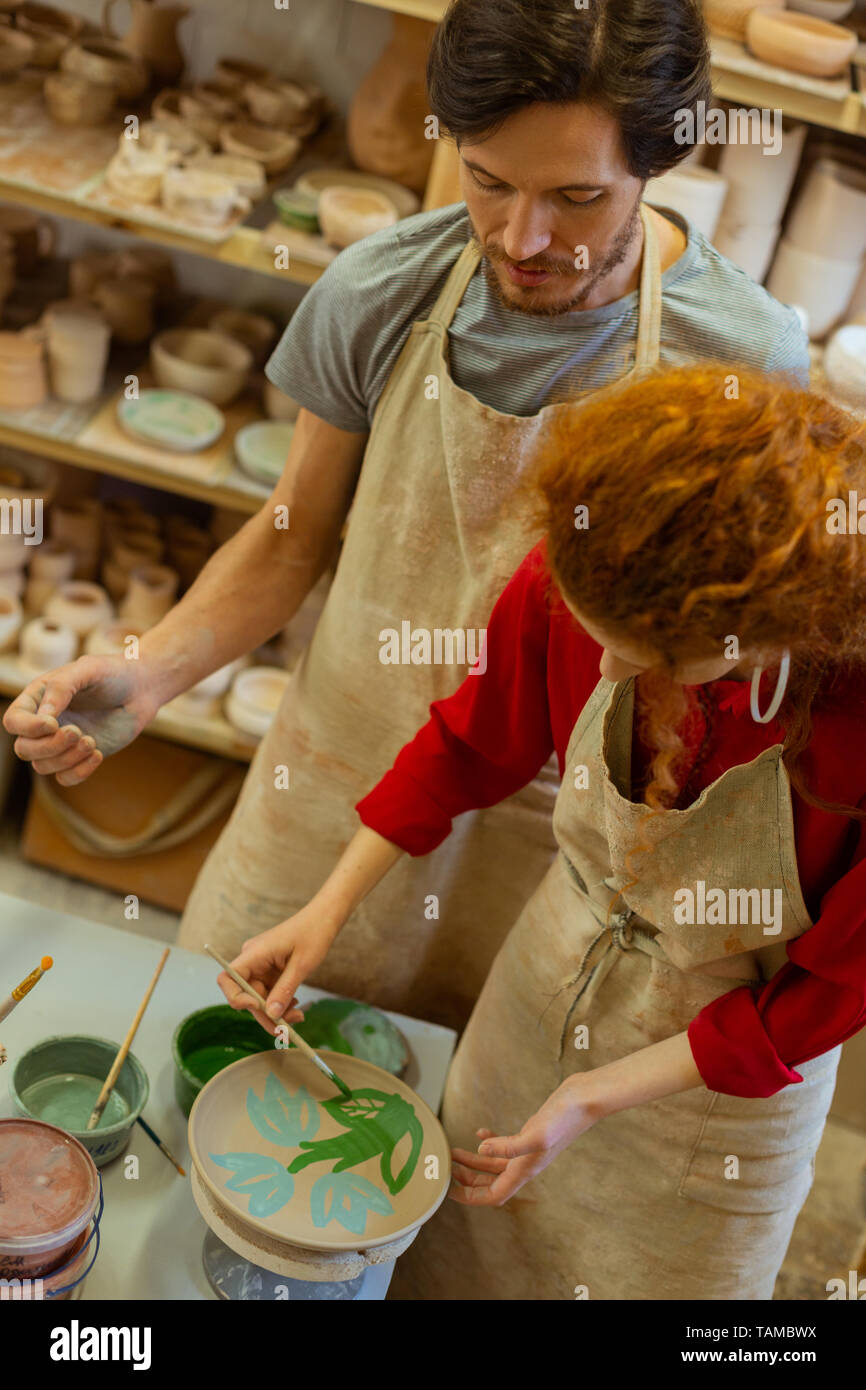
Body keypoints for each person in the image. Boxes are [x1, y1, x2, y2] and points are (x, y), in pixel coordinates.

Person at [3, 0, 808, 1031]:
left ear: (658, 162)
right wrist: (149, 669)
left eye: (574, 196)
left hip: (553, 822)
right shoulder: (378, 289)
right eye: (488, 181)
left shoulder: (741, 361)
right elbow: (293, 537)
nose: (524, 237)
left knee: (466, 1116)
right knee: (216, 1046)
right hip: (342, 768)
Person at [218, 366, 866, 1299]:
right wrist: (328, 908)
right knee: (455, 1264)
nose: (603, 663)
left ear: (764, 637)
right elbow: (469, 744)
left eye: (648, 658)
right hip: (545, 992)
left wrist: (596, 1093)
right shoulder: (591, 563)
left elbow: (828, 996)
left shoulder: (849, 719)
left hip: (723, 1084)